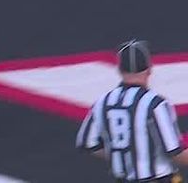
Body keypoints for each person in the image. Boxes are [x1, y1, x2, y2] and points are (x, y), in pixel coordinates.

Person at [76, 40, 188, 182]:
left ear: (120, 70)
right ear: (149, 69)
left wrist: (123, 155)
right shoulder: (156, 104)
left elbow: (88, 143)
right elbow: (175, 152)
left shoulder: (102, 102)